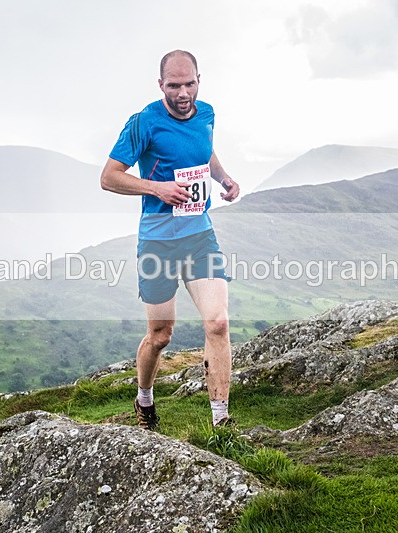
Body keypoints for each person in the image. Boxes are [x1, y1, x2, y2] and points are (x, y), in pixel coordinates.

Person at [100, 50, 240, 430]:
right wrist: (157, 188)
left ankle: (221, 422)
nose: (183, 93)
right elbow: (109, 177)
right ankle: (144, 399)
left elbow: (204, 150)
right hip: (158, 243)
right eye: (174, 85)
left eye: (189, 84)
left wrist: (224, 179)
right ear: (160, 85)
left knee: (218, 323)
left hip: (199, 236)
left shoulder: (207, 113)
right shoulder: (144, 122)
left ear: (199, 80)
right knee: (161, 335)